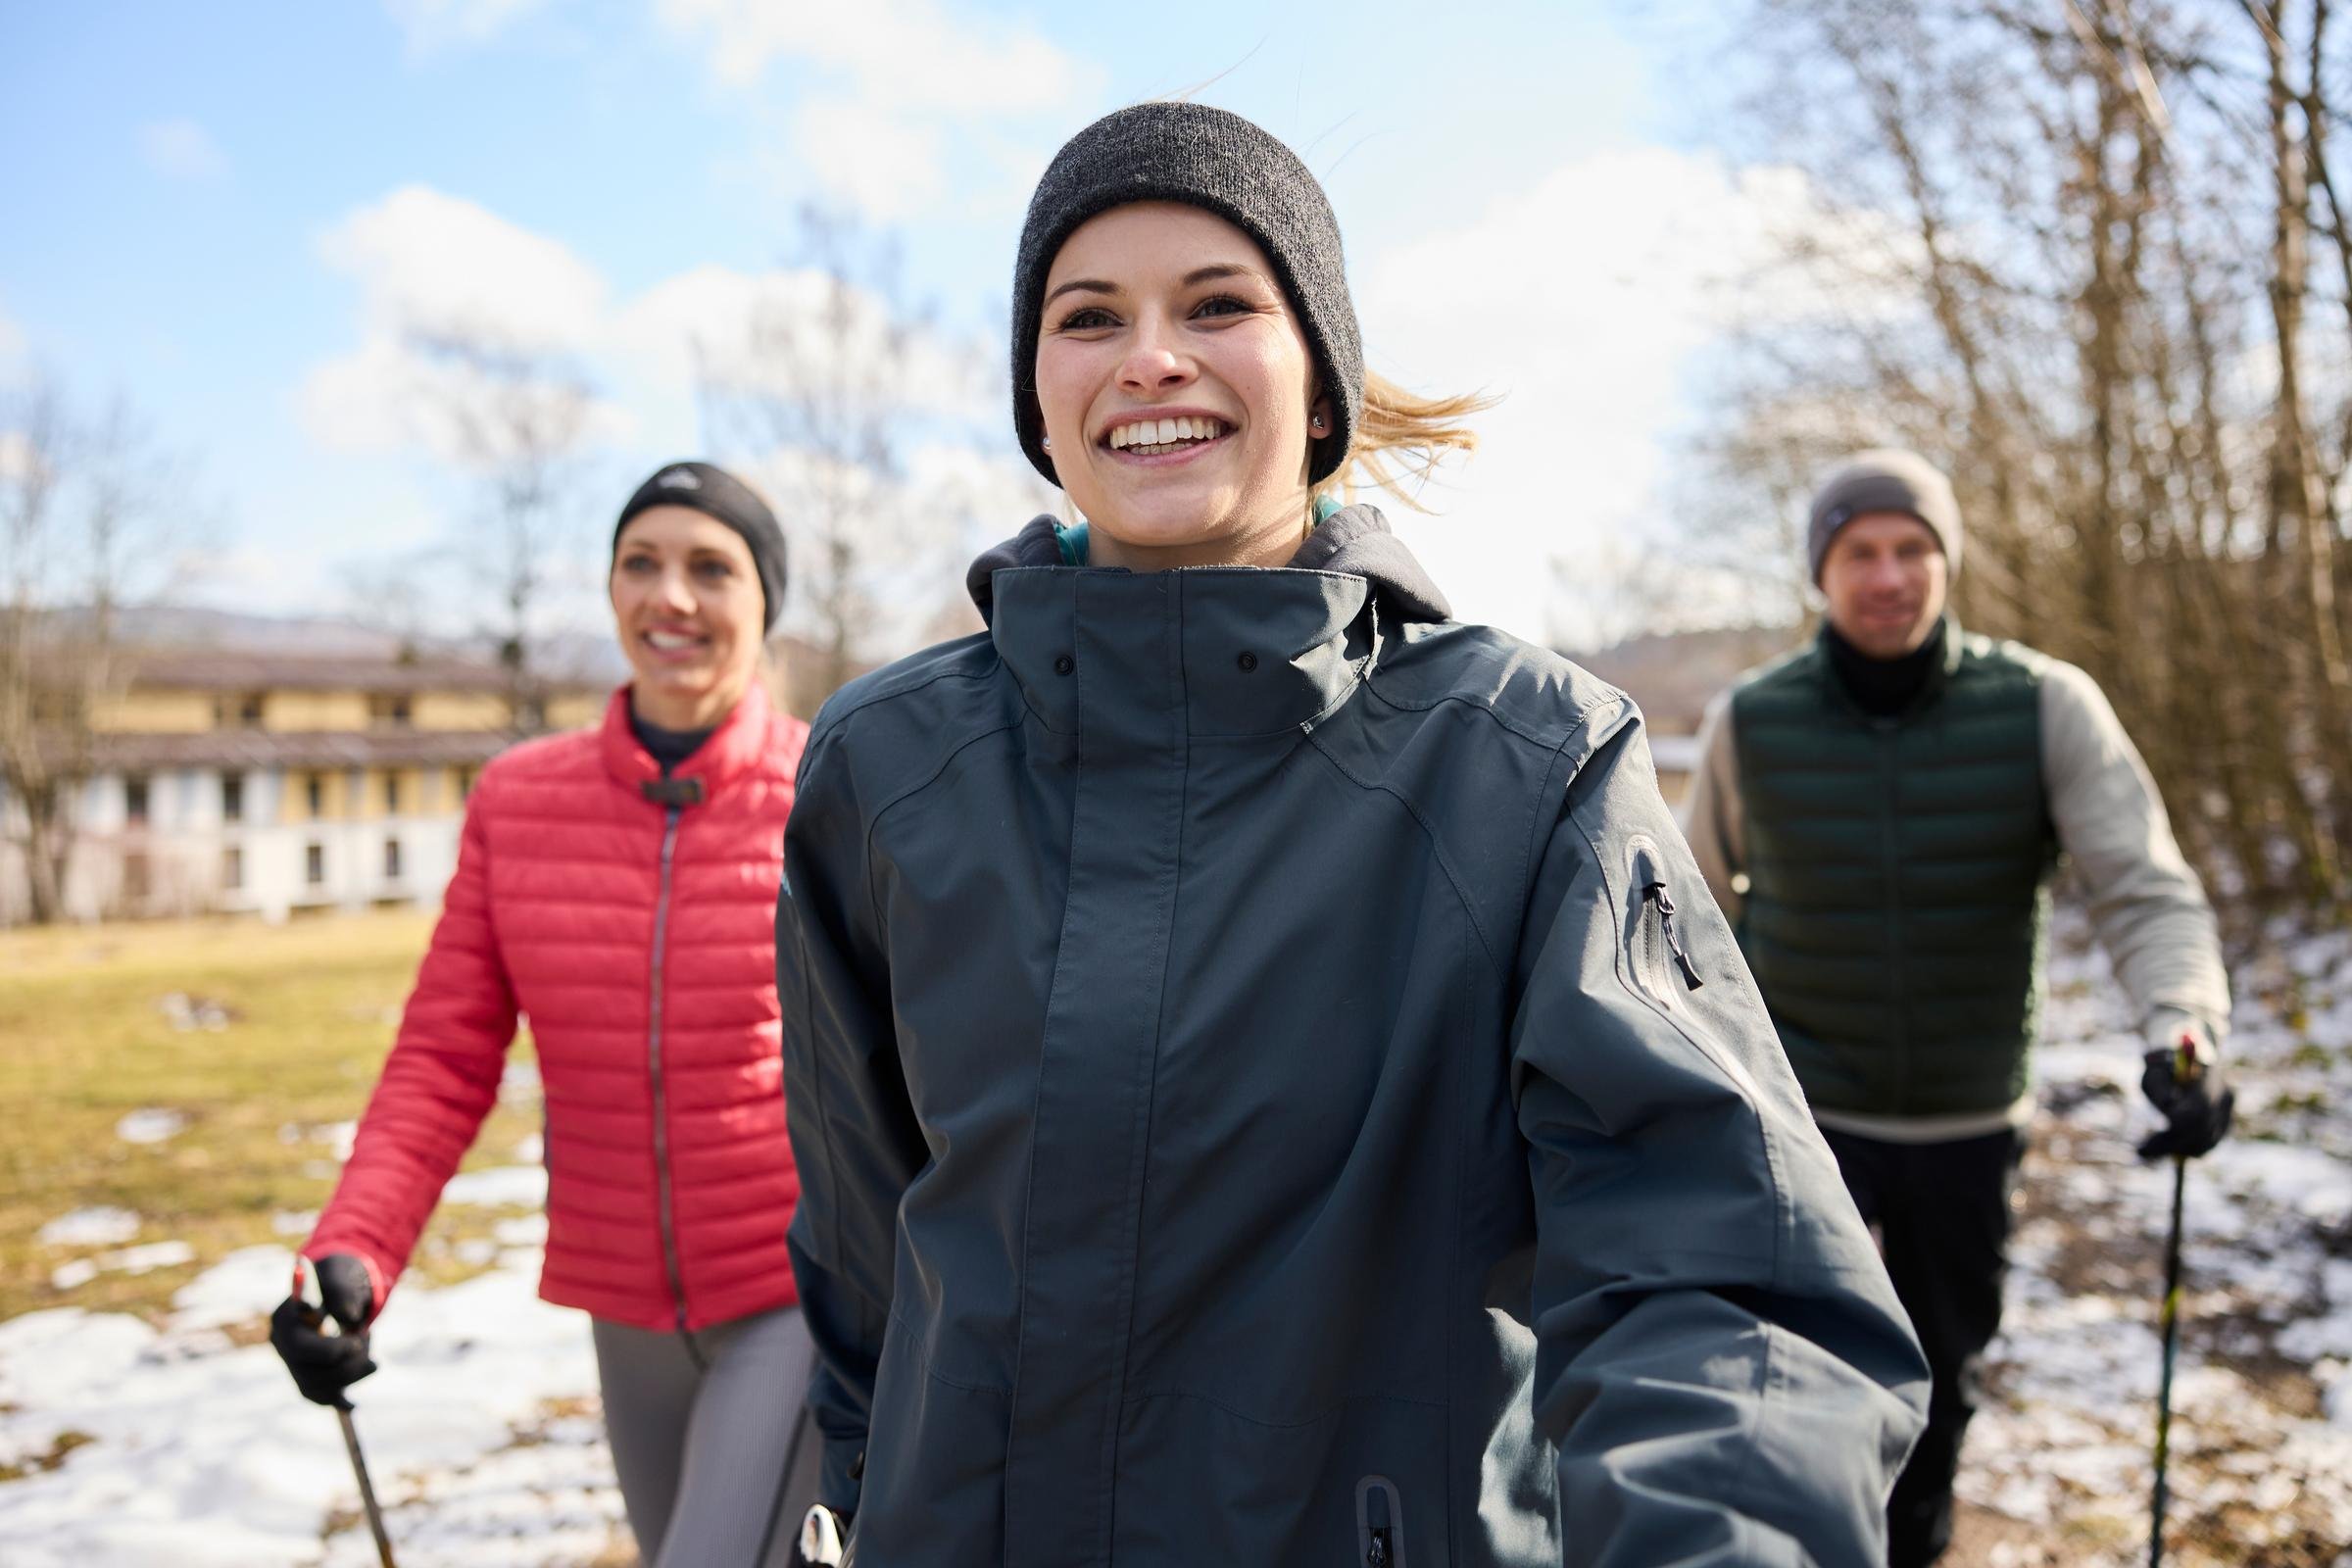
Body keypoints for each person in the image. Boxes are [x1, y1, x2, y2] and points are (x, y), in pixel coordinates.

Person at [775, 102, 1928, 1568]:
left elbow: (1719, 1269)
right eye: (1089, 316)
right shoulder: (886, 767)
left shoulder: (1528, 760)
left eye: (1217, 304)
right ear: (1038, 399)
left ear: (1322, 385)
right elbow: (868, 1257)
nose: (1151, 357)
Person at [1679, 449, 2235, 1567]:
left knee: (1938, 1385)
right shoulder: (1752, 723)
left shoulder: (2044, 705)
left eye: (1913, 548)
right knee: (1793, 1384)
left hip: (1967, 1125)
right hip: (1801, 1125)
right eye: (1860, 552)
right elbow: (1689, 924)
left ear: (1948, 560)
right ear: (1821, 573)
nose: (1889, 576)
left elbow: (2142, 889)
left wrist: (2184, 1026)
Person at [270, 462, 822, 1567]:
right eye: (640, 563)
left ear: (766, 602)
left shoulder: (832, 785)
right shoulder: (518, 800)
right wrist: (355, 1247)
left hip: (797, 1294)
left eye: (712, 568)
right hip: (624, 1312)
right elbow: (443, 1056)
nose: (670, 596)